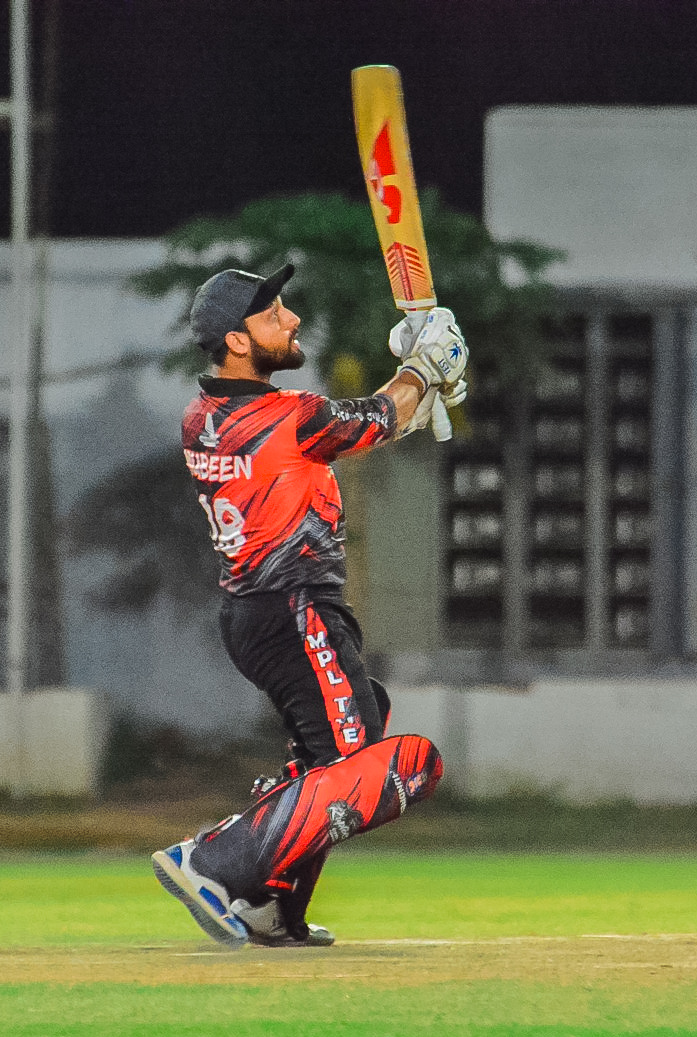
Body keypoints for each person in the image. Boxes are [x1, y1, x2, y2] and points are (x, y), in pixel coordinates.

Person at [151, 264, 466, 948]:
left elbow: (350, 433)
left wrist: (419, 388)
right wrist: (424, 366)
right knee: (387, 766)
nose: (292, 320)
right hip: (296, 608)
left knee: (348, 735)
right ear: (238, 341)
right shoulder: (288, 416)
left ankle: (269, 902)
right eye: (273, 314)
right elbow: (373, 419)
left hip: (254, 617)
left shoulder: (204, 417)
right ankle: (213, 860)